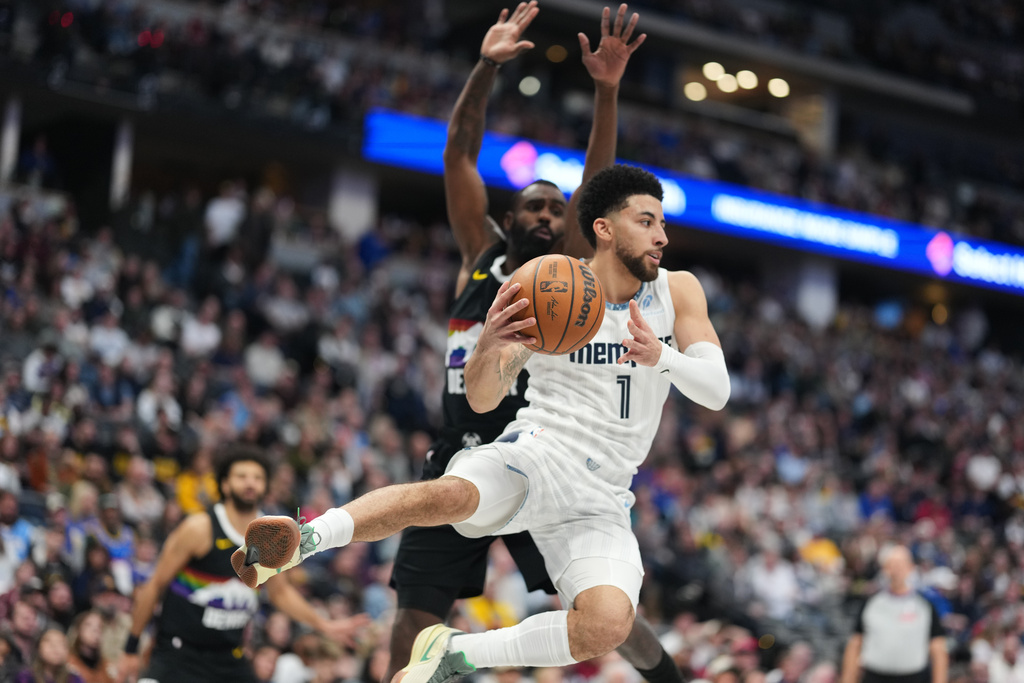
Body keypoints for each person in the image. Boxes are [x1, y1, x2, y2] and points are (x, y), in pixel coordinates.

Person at [234, 163, 730, 683]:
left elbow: (716, 391)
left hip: (604, 495)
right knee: (449, 494)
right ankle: (305, 539)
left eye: (662, 224)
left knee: (606, 626)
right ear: (604, 229)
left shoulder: (677, 291)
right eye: (647, 221)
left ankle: (456, 655)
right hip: (539, 452)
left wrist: (661, 358)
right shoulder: (550, 283)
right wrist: (492, 343)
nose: (662, 236)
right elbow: (482, 395)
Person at [383, 4, 679, 683]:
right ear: (509, 216)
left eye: (558, 208)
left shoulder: (571, 270)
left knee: (605, 607)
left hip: (539, 451)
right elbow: (458, 151)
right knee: (416, 609)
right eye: (536, 207)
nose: (548, 215)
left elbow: (597, 179)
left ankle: (667, 678)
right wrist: (486, 66)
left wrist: (606, 91)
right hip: (463, 447)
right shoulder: (477, 255)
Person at [120, 445, 369, 683]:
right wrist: (131, 648)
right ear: (225, 484)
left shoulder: (271, 535)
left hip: (230, 657)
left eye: (257, 477)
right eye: (242, 476)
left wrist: (324, 625)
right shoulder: (200, 528)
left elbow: (281, 593)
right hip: (179, 652)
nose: (250, 482)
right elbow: (154, 586)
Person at [841, 545, 948, 683]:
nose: (896, 570)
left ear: (910, 568)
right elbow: (855, 644)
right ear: (885, 569)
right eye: (891, 565)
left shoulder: (924, 607)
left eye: (901, 564)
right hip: (874, 676)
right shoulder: (871, 604)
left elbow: (938, 650)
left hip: (913, 677)